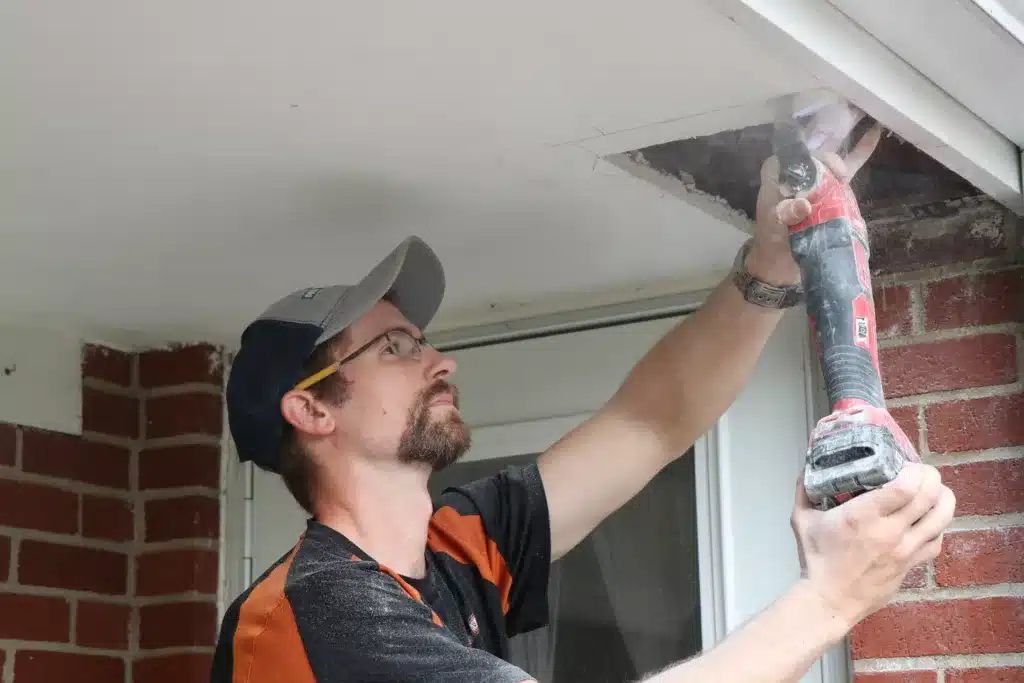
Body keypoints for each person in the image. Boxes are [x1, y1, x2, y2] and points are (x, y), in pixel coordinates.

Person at [211, 125, 956, 683]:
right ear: (312, 411)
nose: (442, 360)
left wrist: (770, 257)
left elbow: (651, 420)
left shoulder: (462, 544)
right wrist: (830, 598)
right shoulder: (312, 613)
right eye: (397, 348)